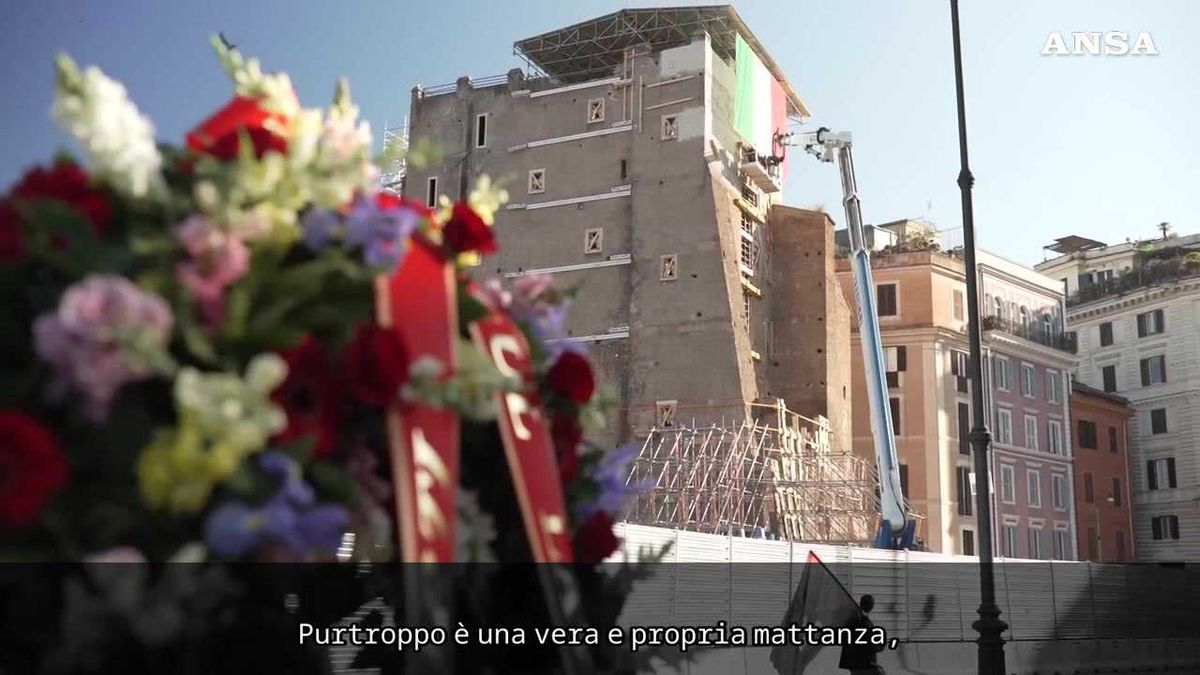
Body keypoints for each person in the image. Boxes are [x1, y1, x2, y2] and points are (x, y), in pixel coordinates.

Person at [839, 594, 886, 675]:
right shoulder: (863, 622)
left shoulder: (852, 618)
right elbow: (869, 644)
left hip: (853, 663)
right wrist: (881, 646)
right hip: (863, 664)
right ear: (871, 606)